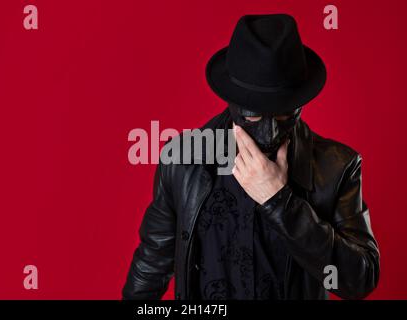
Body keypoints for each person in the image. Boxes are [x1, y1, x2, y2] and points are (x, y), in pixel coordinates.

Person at [122, 13, 379, 300]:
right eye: (254, 114)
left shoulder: (337, 167)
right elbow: (152, 265)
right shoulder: (183, 160)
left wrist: (280, 202)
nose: (270, 133)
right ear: (232, 100)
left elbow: (359, 280)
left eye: (283, 113)